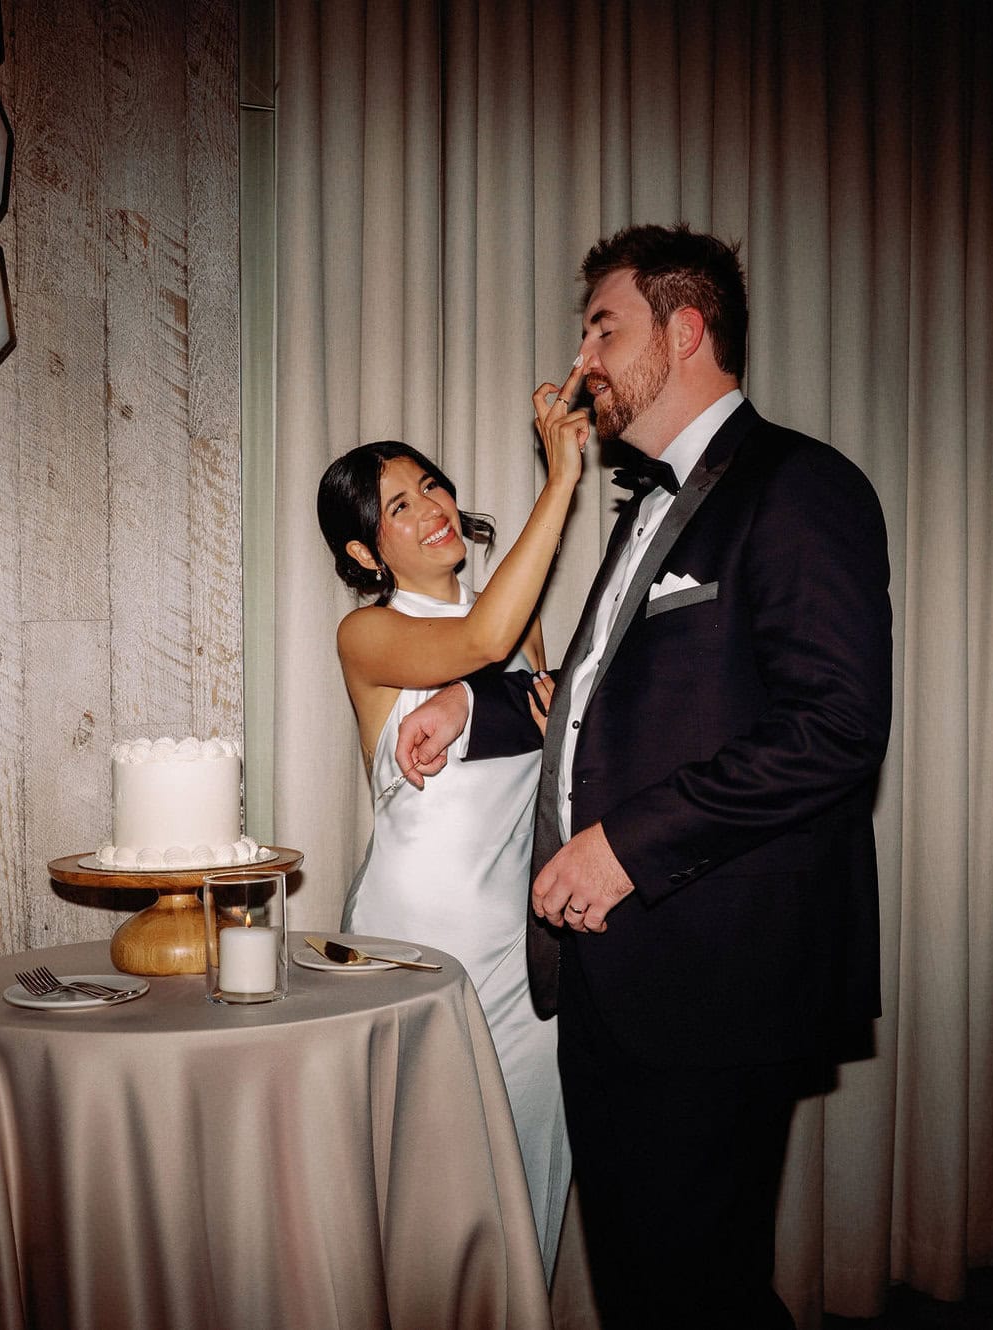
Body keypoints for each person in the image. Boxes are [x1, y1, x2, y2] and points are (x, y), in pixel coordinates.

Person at [394, 223, 893, 1328]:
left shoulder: (799, 487)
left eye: (601, 327)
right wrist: (462, 703)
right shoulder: (645, 506)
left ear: (684, 327)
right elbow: (584, 694)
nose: (579, 361)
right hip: (614, 974)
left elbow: (835, 727)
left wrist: (625, 845)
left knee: (695, 1288)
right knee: (643, 1280)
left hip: (715, 971)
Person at [314, 372, 590, 1278]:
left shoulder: (524, 625)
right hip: (414, 944)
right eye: (399, 505)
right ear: (366, 553)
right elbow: (478, 646)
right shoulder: (370, 636)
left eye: (431, 483)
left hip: (522, 950)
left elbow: (541, 731)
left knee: (528, 1175)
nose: (432, 506)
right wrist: (560, 479)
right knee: (421, 1189)